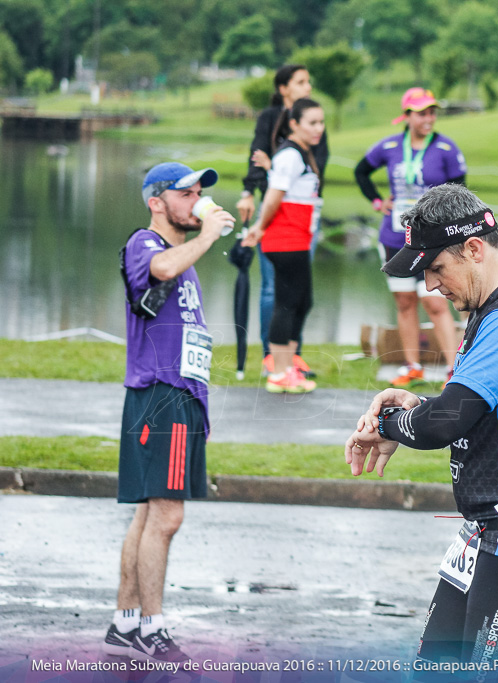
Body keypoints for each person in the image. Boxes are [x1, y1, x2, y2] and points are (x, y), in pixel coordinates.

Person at [343, 184, 498, 676]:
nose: (431, 286)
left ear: (474, 249)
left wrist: (398, 421)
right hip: (489, 533)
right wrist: (418, 408)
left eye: (436, 269)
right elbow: (472, 411)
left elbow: (447, 422)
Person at [103, 162, 234, 663]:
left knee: (148, 513)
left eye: (200, 193)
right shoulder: (147, 244)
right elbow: (158, 270)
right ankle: (152, 629)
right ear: (156, 201)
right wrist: (206, 233)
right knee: (167, 515)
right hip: (163, 394)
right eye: (187, 193)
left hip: (179, 395)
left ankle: (126, 622)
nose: (196, 201)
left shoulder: (181, 254)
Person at [354, 87, 465, 387]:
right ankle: (412, 365)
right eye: (422, 112)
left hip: (432, 239)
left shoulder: (445, 148)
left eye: (432, 111)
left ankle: (454, 371)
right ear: (407, 116)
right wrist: (378, 202)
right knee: (404, 301)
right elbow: (361, 172)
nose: (429, 118)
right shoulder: (390, 145)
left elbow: (461, 192)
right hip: (395, 237)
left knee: (436, 304)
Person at [235, 64, 328, 379]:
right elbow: (275, 193)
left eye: (321, 123)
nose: (319, 128)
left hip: (300, 231)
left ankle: (288, 364)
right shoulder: (288, 149)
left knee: (300, 300)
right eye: (313, 123)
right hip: (284, 233)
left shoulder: (300, 151)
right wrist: (259, 226)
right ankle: (277, 367)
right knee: (282, 298)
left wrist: (273, 166)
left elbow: (291, 176)